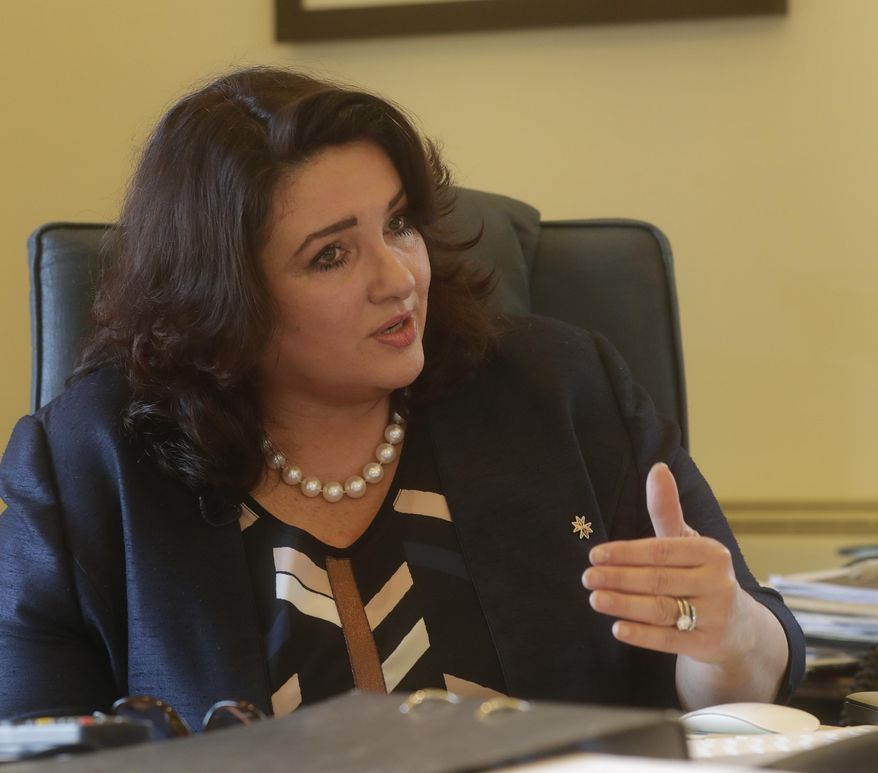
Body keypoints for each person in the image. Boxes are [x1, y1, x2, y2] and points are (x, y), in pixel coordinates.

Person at [0, 67, 803, 729]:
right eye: (331, 256)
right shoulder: (86, 466)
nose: (398, 277)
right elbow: (29, 742)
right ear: (225, 296)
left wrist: (731, 640)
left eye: (400, 224)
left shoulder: (561, 391)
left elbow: (737, 692)